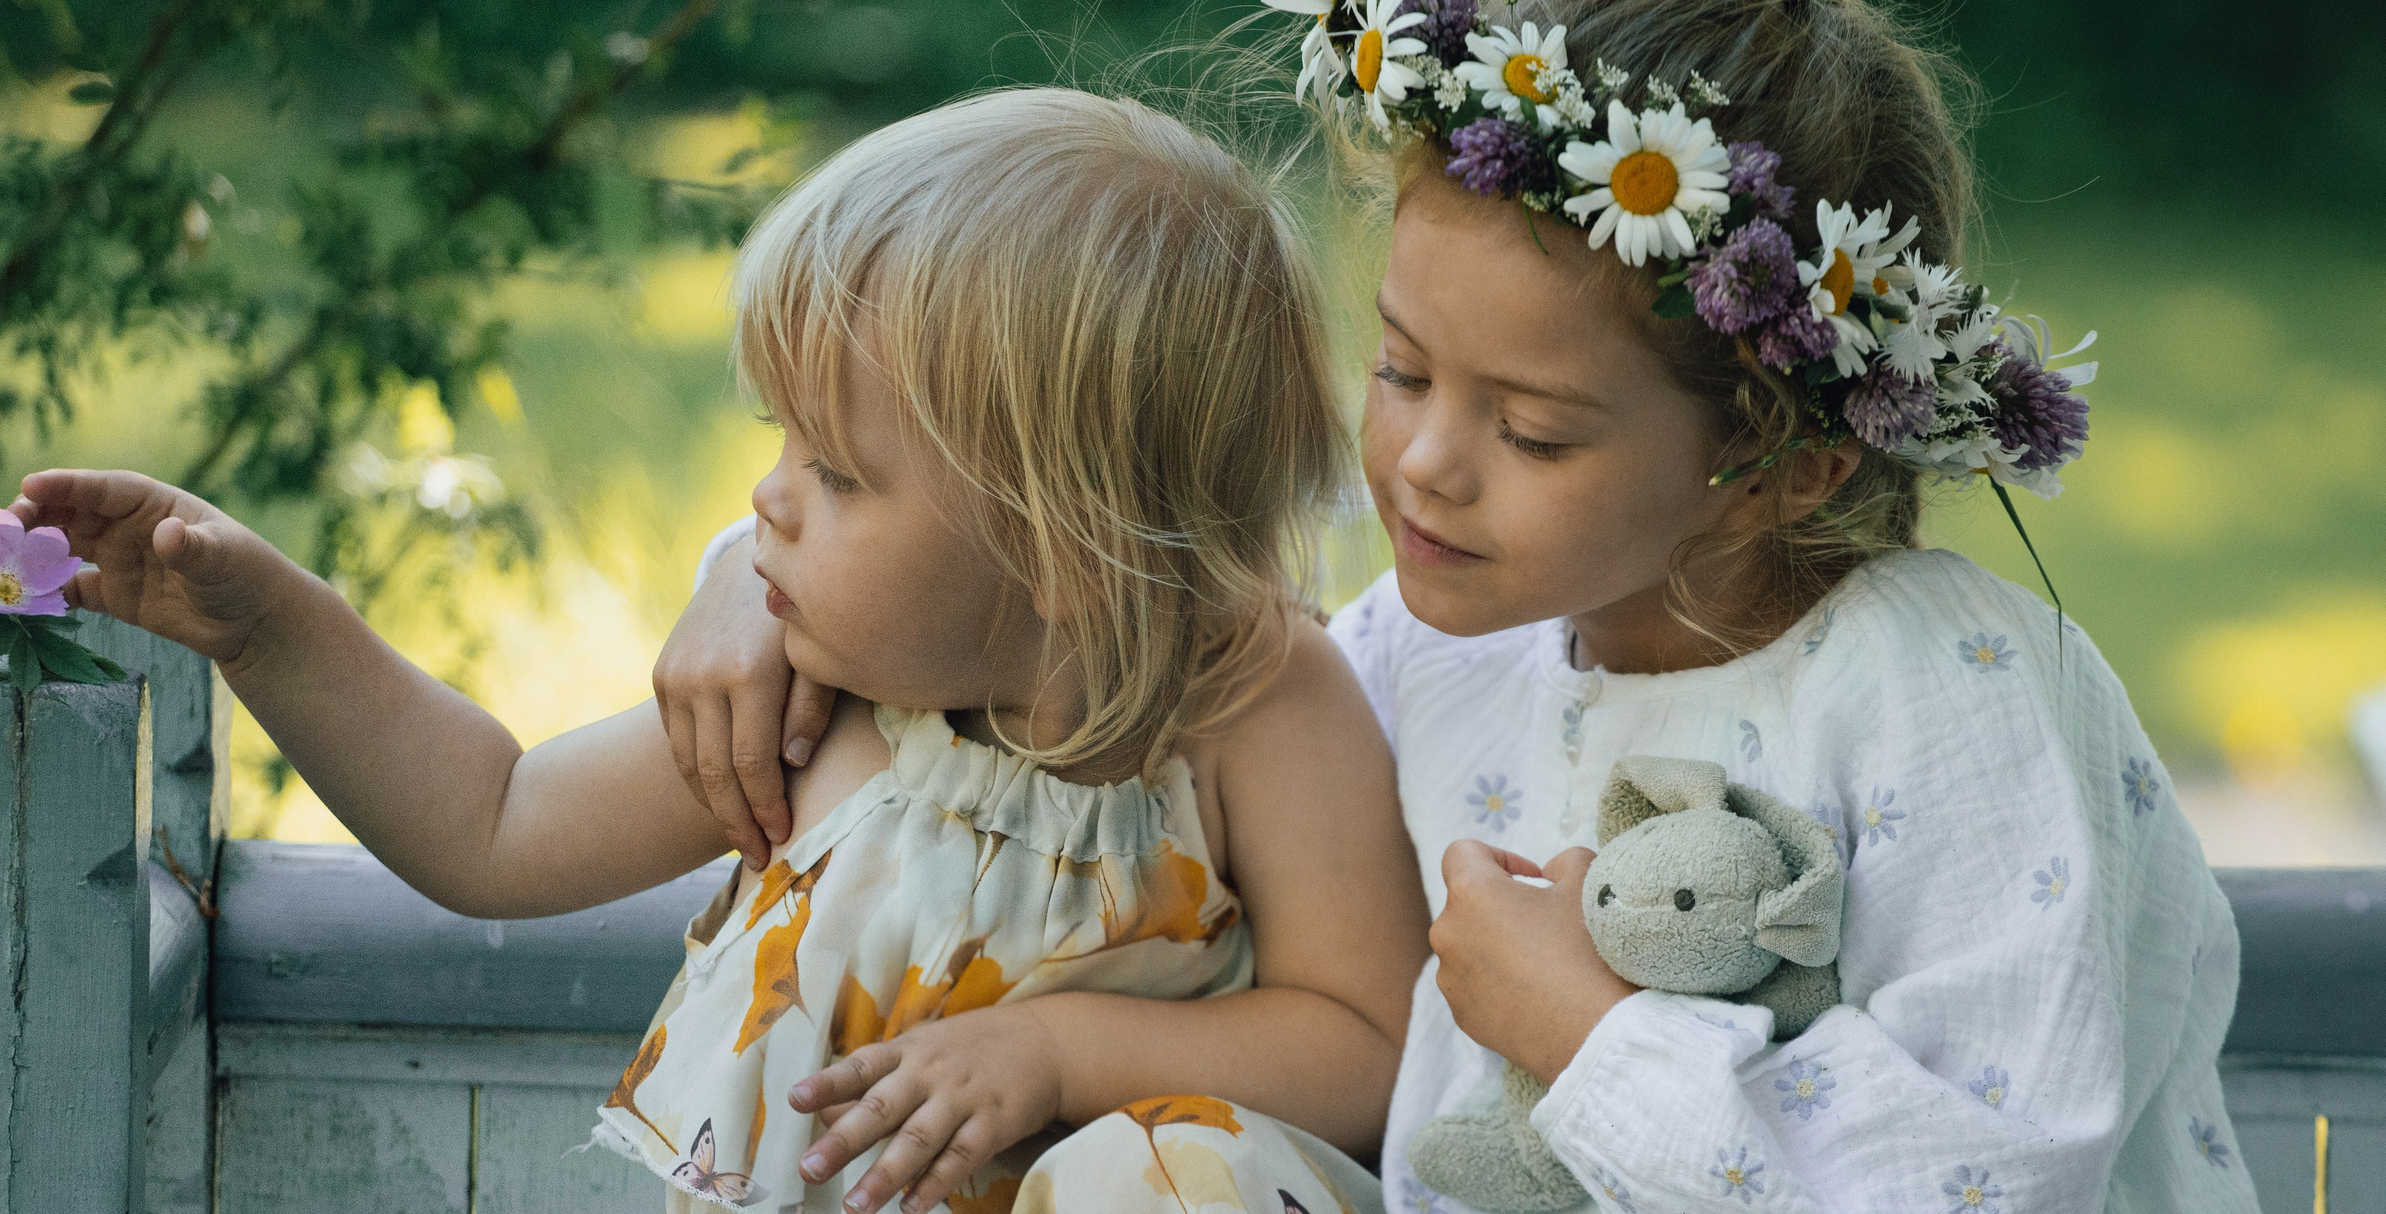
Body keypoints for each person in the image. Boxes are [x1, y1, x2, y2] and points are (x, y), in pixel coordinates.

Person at [675, 1, 2256, 1210]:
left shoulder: (1959, 690)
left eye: (1534, 430)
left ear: (1778, 455)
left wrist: (1590, 1033)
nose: (1422, 464)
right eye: (1400, 368)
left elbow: (2001, 1172)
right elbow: (1076, 613)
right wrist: (754, 589)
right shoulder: (1428, 654)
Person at [7, 87, 1428, 1214]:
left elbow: (1368, 1046)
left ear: (1065, 546)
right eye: (783, 444)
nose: (765, 498)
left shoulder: (1257, 703)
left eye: (841, 473)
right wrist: (273, 625)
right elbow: (488, 826)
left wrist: (1061, 1052)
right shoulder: (821, 710)